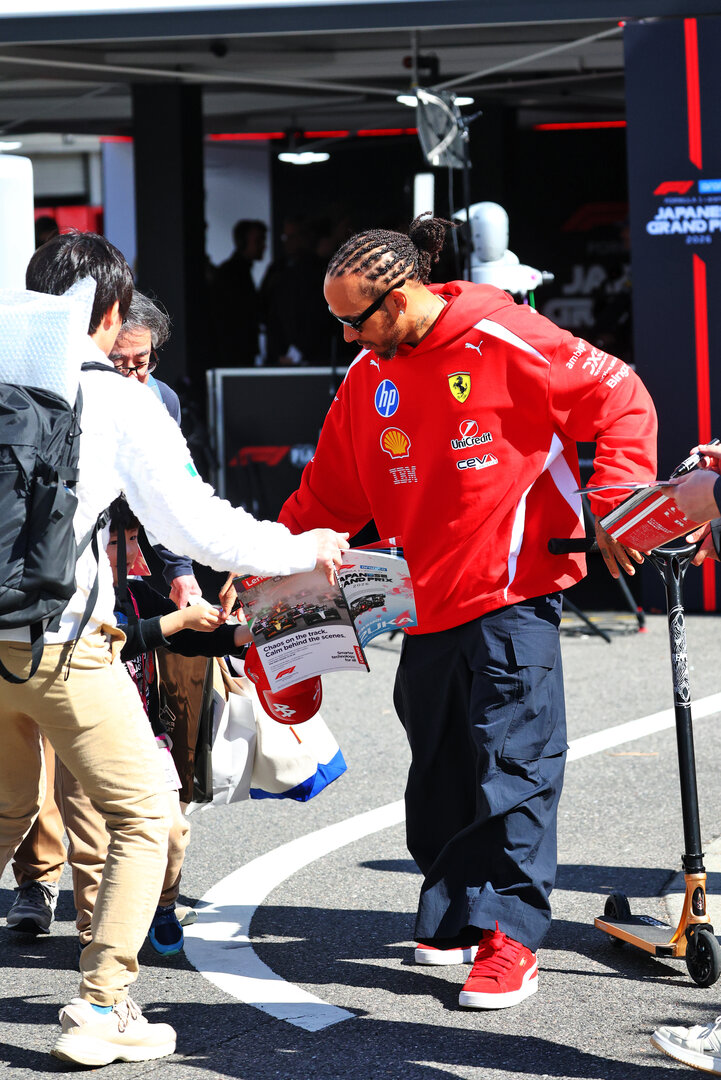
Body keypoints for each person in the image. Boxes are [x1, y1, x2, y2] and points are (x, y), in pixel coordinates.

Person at [278, 214, 657, 1010]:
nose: (347, 337)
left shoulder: (504, 333)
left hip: (514, 592)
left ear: (402, 294)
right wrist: (264, 569)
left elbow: (620, 394)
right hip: (422, 602)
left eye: (355, 320)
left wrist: (616, 496)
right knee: (441, 770)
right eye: (337, 322)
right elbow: (327, 499)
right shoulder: (364, 378)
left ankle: (510, 938)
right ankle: (454, 914)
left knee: (512, 769)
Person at [0, 230, 349, 1067]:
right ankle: (103, 1004)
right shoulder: (120, 401)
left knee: (7, 809)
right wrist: (305, 548)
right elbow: (193, 523)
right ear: (112, 312)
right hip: (60, 646)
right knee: (146, 808)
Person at [5, 289, 202, 938]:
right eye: (123, 363)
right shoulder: (48, 396)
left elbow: (163, 503)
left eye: (145, 363)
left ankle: (97, 920)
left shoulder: (157, 401)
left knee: (88, 781)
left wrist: (180, 575)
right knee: (22, 784)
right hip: (38, 603)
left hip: (102, 606)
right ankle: (40, 884)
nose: (136, 376)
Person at [212, 219, 267, 366]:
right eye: (258, 240)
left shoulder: (236, 271)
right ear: (243, 242)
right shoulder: (231, 273)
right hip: (234, 351)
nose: (264, 246)